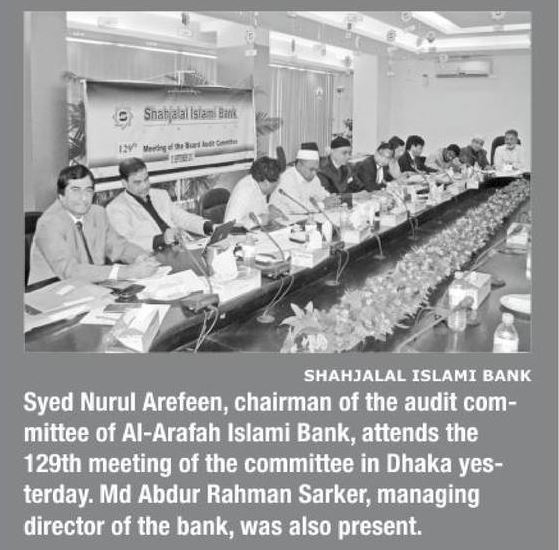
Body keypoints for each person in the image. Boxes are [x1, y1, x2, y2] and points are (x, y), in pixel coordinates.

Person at [28, 164, 159, 284]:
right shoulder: (49, 223)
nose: (84, 198)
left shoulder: (98, 213)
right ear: (61, 196)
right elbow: (70, 271)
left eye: (88, 190)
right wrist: (127, 272)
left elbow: (120, 247)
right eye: (75, 190)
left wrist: (142, 257)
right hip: (53, 291)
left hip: (95, 286)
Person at [106, 157, 213, 252]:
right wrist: (161, 239)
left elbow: (183, 218)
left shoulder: (160, 195)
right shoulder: (116, 208)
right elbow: (124, 244)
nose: (144, 186)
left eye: (146, 179)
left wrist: (208, 226)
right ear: (124, 183)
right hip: (151, 257)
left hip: (179, 250)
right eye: (137, 182)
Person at [269, 143, 337, 216]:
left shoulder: (314, 178)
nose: (314, 173)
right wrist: (323, 204)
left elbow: (321, 194)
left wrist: (331, 198)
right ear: (299, 165)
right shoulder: (287, 178)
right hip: (280, 220)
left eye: (316, 170)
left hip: (302, 219)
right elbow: (297, 207)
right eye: (311, 169)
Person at [223, 156, 283, 229]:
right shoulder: (244, 192)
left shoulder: (258, 184)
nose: (276, 187)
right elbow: (229, 225)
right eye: (275, 185)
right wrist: (259, 220)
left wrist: (269, 209)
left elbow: (257, 211)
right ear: (266, 183)